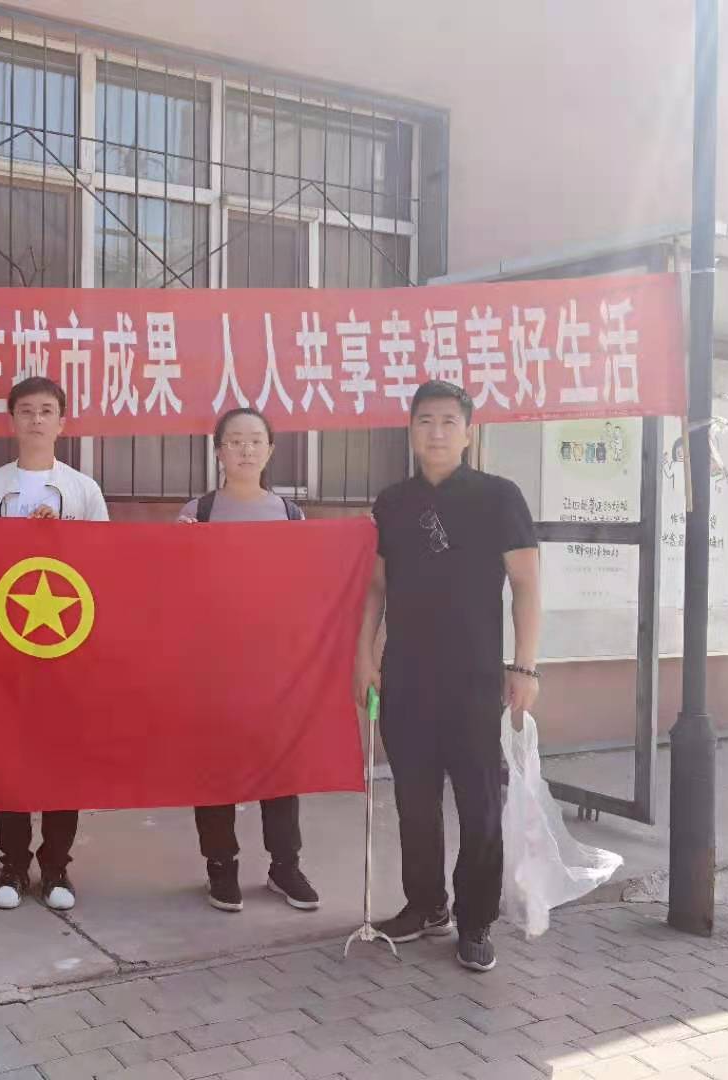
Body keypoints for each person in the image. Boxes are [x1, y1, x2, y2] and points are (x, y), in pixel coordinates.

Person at [355, 380, 541, 974]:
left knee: (478, 802)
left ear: (468, 432)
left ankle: (475, 919)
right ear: (410, 430)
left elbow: (526, 585)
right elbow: (377, 587)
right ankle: (425, 904)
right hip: (406, 674)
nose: (435, 432)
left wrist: (525, 665)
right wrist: (365, 656)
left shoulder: (498, 497)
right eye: (424, 421)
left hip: (475, 677)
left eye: (447, 422)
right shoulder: (392, 502)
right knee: (413, 799)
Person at [0, 375, 109, 912]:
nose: (36, 419)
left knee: (61, 755)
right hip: (5, 645)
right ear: (12, 420)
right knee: (8, 753)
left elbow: (103, 563)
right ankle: (12, 862)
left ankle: (56, 866)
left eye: (46, 410)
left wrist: (61, 535)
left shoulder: (83, 490)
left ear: (62, 422)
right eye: (26, 410)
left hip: (67, 645)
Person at [175, 406, 321, 914]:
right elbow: (171, 589)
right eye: (234, 440)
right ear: (219, 451)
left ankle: (285, 865)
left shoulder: (291, 515)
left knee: (280, 765)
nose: (245, 449)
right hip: (212, 666)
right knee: (214, 766)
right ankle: (221, 864)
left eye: (255, 440)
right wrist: (180, 551)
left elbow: (308, 587)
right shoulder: (198, 511)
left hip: (273, 666)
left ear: (270, 451)